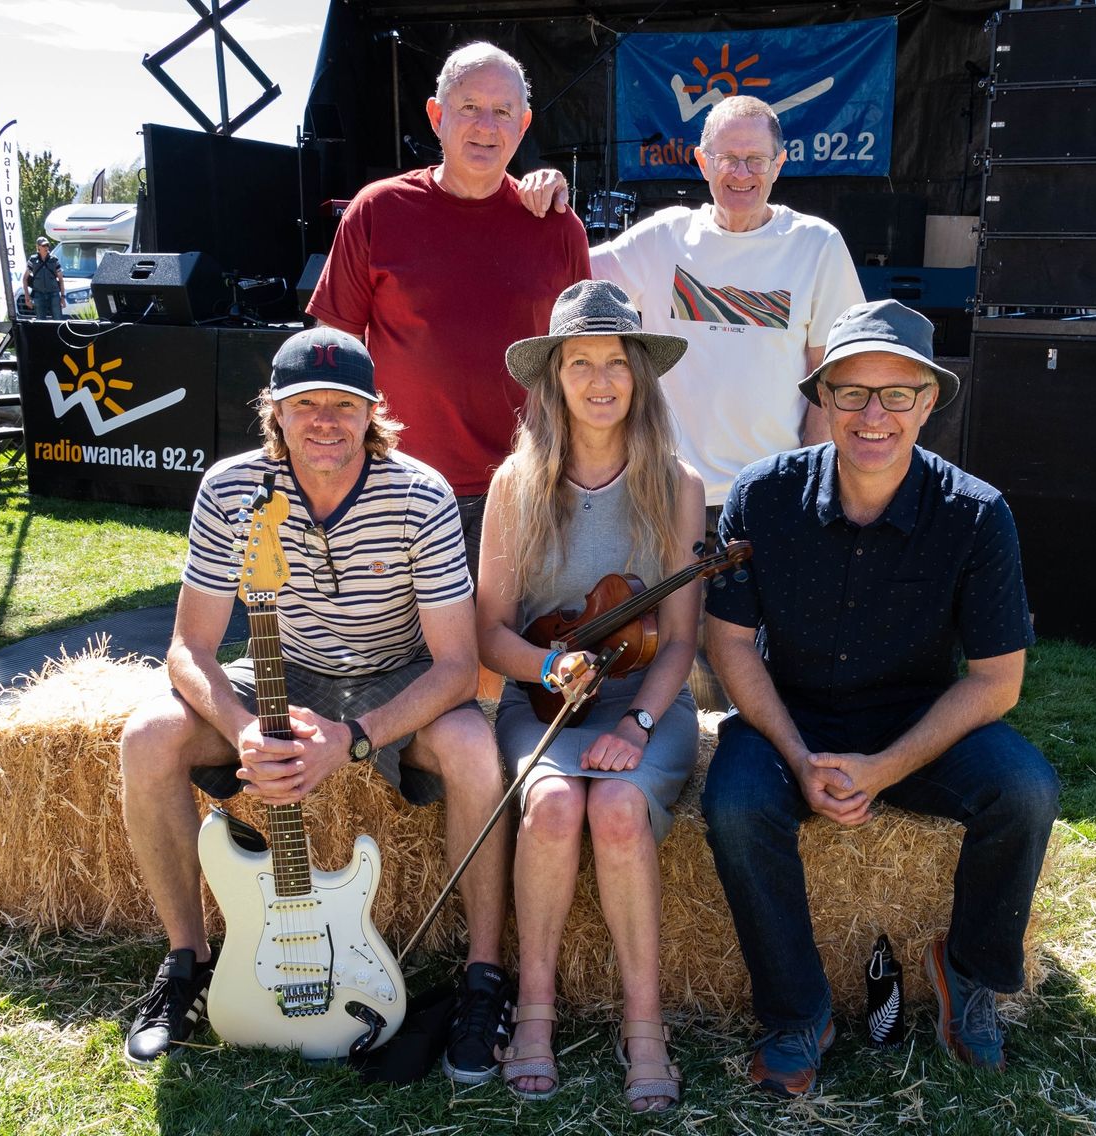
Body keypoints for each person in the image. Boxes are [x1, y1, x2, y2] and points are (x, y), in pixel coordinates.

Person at [118, 326, 514, 1085]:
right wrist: (241, 734)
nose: (325, 421)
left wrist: (354, 740)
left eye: (344, 404)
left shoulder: (419, 492)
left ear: (373, 413)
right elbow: (188, 649)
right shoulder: (231, 488)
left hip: (393, 677)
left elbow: (459, 666)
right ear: (275, 409)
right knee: (148, 735)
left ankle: (483, 980)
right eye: (306, 404)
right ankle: (188, 964)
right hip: (283, 669)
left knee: (471, 749)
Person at [699, 299, 1060, 1096]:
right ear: (821, 398)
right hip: (788, 715)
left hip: (915, 721)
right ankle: (798, 1014)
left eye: (897, 394)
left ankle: (967, 972)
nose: (873, 415)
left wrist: (885, 768)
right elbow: (727, 644)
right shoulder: (761, 495)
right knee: (732, 803)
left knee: (1027, 789)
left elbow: (999, 681)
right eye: (852, 392)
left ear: (929, 402)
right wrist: (795, 755)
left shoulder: (977, 513)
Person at [520, 95, 863, 705]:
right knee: (675, 661)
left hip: (767, 499)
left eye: (755, 159)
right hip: (667, 494)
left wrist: (811, 486)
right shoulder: (664, 239)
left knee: (761, 663)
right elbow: (564, 275)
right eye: (726, 158)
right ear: (702, 161)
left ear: (780, 164)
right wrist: (546, 201)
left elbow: (829, 377)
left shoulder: (817, 246)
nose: (741, 173)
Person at [476, 280, 705, 1111]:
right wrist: (543, 672)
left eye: (617, 362)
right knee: (551, 808)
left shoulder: (676, 484)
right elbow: (490, 629)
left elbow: (681, 638)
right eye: (581, 363)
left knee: (615, 811)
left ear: (640, 376)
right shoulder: (516, 482)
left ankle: (645, 1025)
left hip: (647, 701)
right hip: (545, 701)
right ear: (554, 378)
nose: (601, 380)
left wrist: (641, 724)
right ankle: (533, 1011)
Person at [307, 41, 591, 576]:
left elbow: (582, 360)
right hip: (394, 485)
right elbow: (330, 352)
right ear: (436, 115)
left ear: (524, 124)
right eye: (469, 107)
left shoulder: (557, 228)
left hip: (519, 488)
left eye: (503, 111)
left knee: (501, 653)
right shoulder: (377, 209)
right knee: (389, 652)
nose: (486, 124)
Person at [23, 236, 66, 319]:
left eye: (47, 245)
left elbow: (61, 280)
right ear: (38, 247)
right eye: (43, 246)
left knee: (58, 319)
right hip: (38, 294)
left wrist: (63, 297)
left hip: (54, 294)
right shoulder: (33, 260)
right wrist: (27, 296)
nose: (46, 247)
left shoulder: (54, 260)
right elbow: (25, 279)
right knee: (40, 321)